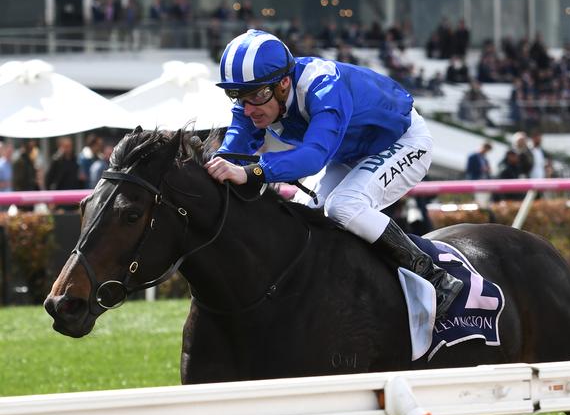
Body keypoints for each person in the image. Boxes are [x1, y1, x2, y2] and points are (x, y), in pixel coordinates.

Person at [204, 29, 463, 316]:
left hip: (403, 140)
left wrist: (253, 172)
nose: (249, 108)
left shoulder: (324, 86)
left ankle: (436, 278)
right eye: (238, 97)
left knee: (345, 205)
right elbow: (233, 150)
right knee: (302, 215)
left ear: (284, 83)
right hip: (349, 152)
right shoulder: (256, 97)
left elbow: (314, 156)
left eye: (257, 96)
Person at [465, 142, 492, 207]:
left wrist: (488, 170)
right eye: (486, 149)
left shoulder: (485, 159)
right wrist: (481, 169)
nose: (486, 151)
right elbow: (468, 169)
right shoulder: (472, 156)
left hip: (483, 182)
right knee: (471, 199)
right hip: (473, 180)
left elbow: (487, 171)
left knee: (480, 201)